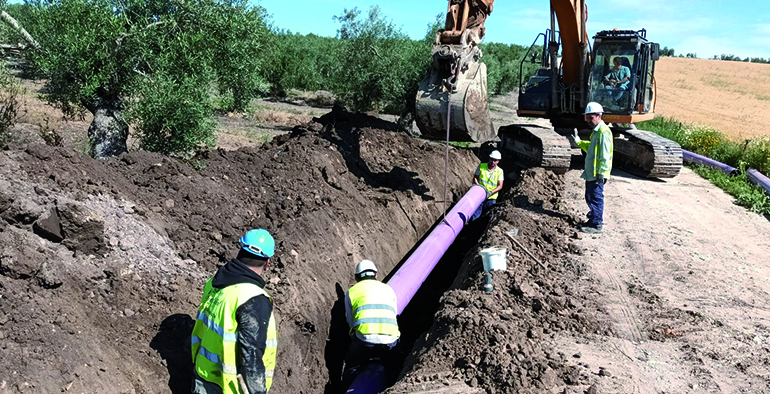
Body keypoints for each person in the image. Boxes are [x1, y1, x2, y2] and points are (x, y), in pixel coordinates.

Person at [191, 229, 278, 394]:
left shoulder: (214, 283)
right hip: (228, 386)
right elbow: (251, 355)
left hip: (202, 376)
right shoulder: (253, 299)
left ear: (240, 250)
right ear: (268, 262)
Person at [342, 260, 400, 385]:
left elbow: (350, 321)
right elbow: (394, 313)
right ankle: (393, 385)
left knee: (352, 366)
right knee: (394, 368)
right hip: (390, 340)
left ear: (357, 277)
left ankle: (346, 387)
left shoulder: (352, 291)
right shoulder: (388, 289)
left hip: (364, 340)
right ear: (376, 275)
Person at [573, 102, 613, 234]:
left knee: (595, 197)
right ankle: (592, 219)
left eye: (591, 118)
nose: (588, 121)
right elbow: (591, 149)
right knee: (590, 196)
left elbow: (605, 155)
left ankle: (596, 224)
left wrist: (601, 172)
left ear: (599, 116)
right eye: (587, 118)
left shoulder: (603, 132)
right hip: (592, 173)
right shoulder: (596, 132)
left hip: (597, 174)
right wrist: (579, 142)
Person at [471, 150, 504, 221]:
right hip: (479, 196)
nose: (493, 162)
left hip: (491, 198)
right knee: (475, 215)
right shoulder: (481, 166)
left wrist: (490, 192)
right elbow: (475, 178)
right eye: (492, 159)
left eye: (495, 160)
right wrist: (478, 186)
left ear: (498, 161)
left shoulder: (500, 171)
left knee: (488, 216)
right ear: (489, 158)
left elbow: (500, 186)